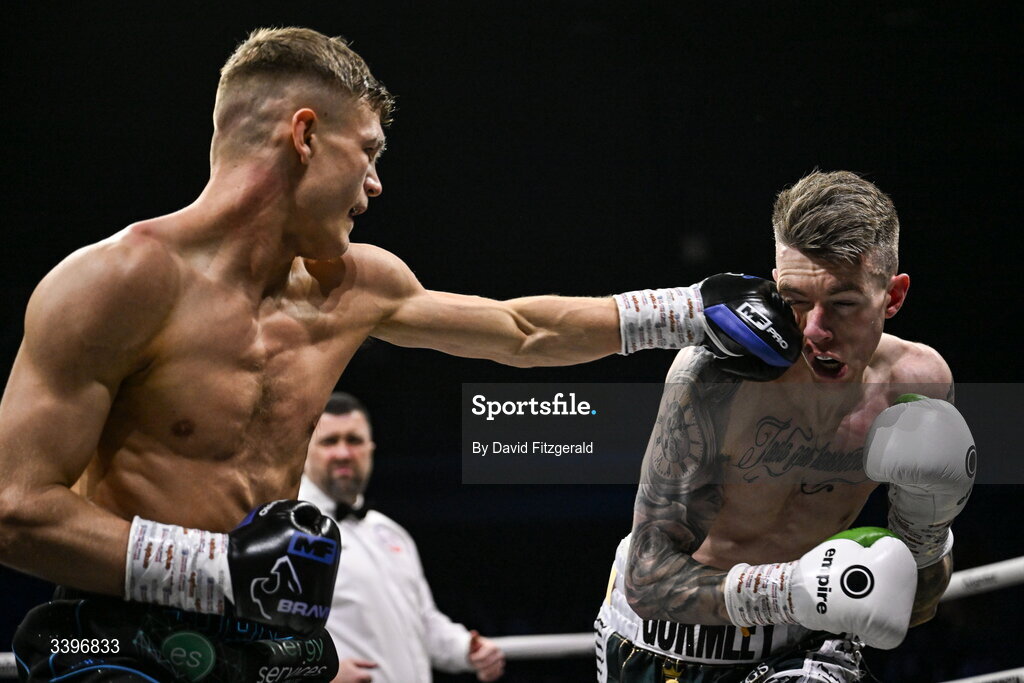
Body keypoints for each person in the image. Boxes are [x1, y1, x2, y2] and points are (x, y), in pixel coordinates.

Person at [0, 26, 796, 682]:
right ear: (305, 134)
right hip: (112, 638)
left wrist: (684, 310)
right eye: (369, 150)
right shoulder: (116, 282)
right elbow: (15, 509)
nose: (376, 184)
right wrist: (217, 566)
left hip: (271, 643)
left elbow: (523, 331)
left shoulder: (354, 285)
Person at [595, 170, 976, 682]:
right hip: (670, 644)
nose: (815, 331)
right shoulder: (714, 379)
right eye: (795, 300)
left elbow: (915, 604)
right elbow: (647, 579)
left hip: (807, 645)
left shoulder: (918, 384)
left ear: (893, 296)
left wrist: (928, 533)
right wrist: (791, 589)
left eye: (843, 304)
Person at [298, 393, 505, 683]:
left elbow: (424, 622)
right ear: (305, 450)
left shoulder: (390, 533)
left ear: (370, 449)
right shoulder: (287, 530)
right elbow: (259, 630)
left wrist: (466, 649)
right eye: (330, 441)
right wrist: (314, 673)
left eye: (354, 440)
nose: (343, 453)